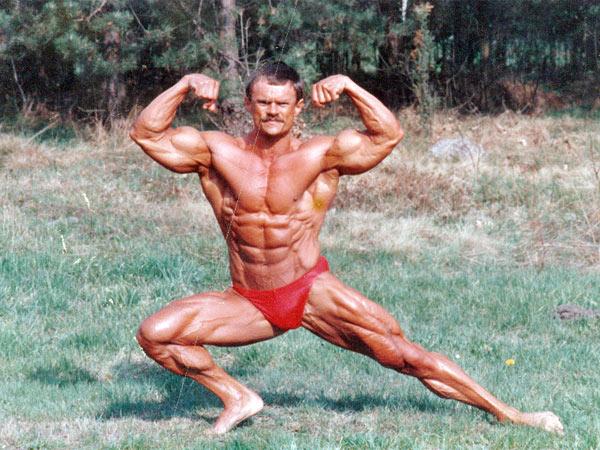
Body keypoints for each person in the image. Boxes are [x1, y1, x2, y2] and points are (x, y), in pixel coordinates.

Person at [130, 62, 563, 435]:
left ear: (299, 107)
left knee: (405, 356)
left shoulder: (321, 154)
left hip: (309, 289)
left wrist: (351, 86)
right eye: (263, 102)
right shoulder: (215, 152)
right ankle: (238, 397)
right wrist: (184, 84)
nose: (272, 111)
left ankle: (511, 415)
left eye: (282, 103)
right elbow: (146, 134)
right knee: (156, 335)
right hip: (248, 299)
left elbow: (387, 135)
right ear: (248, 104)